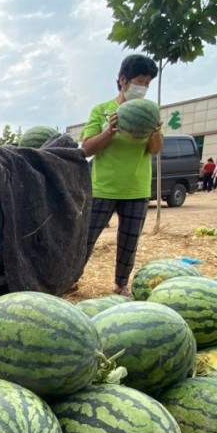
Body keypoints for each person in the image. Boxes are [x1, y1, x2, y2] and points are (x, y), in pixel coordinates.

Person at [81, 53, 162, 297]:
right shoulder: (102, 110)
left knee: (129, 242)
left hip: (136, 189)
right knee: (85, 240)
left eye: (147, 83)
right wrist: (109, 131)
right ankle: (71, 277)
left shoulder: (150, 111)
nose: (143, 88)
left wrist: (153, 132)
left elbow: (155, 150)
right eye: (139, 81)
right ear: (123, 80)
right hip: (103, 187)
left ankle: (121, 284)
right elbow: (86, 148)